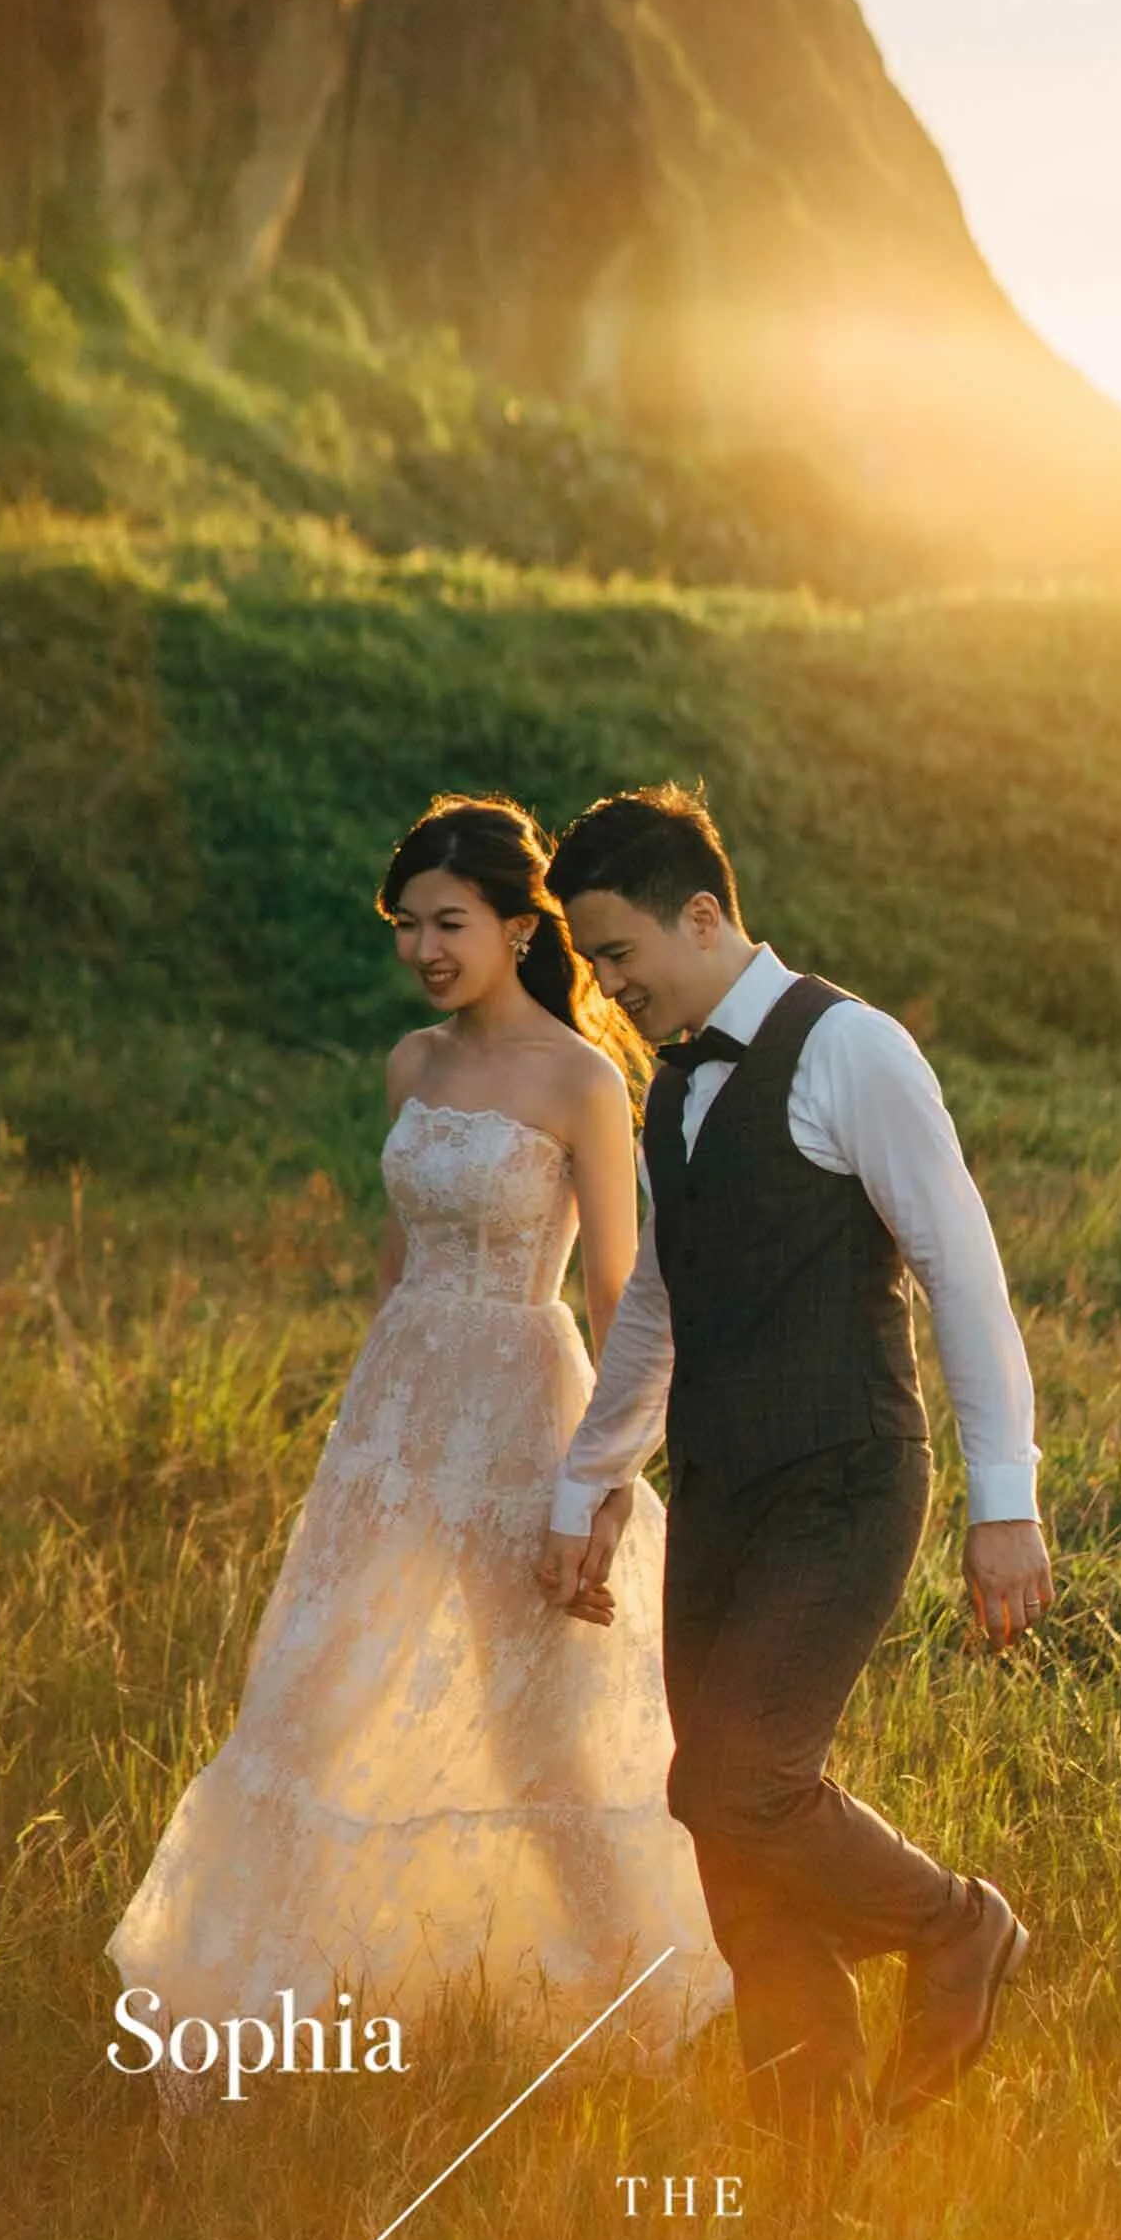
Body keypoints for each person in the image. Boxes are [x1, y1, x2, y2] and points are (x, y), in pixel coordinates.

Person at [108, 795, 729, 2086]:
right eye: (407, 925)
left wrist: (609, 1470)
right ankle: (255, 2008)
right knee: (316, 1697)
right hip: (395, 1421)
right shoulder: (412, 1061)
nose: (424, 947)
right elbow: (395, 1266)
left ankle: (635, 2001)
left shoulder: (583, 1078)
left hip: (521, 1407)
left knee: (538, 1730)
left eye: (449, 921)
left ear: (518, 923)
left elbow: (619, 1287)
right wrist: (360, 1430)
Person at [537, 783, 1053, 2144]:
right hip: (717, 1489)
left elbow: (964, 1272)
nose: (610, 984)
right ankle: (816, 2148)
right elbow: (658, 1298)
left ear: (702, 915)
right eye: (593, 963)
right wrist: (594, 1477)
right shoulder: (675, 1084)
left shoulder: (854, 1050)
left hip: (845, 1474)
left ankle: (957, 1927)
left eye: (619, 952)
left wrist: (1006, 1505)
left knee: (734, 1778)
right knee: (726, 1839)